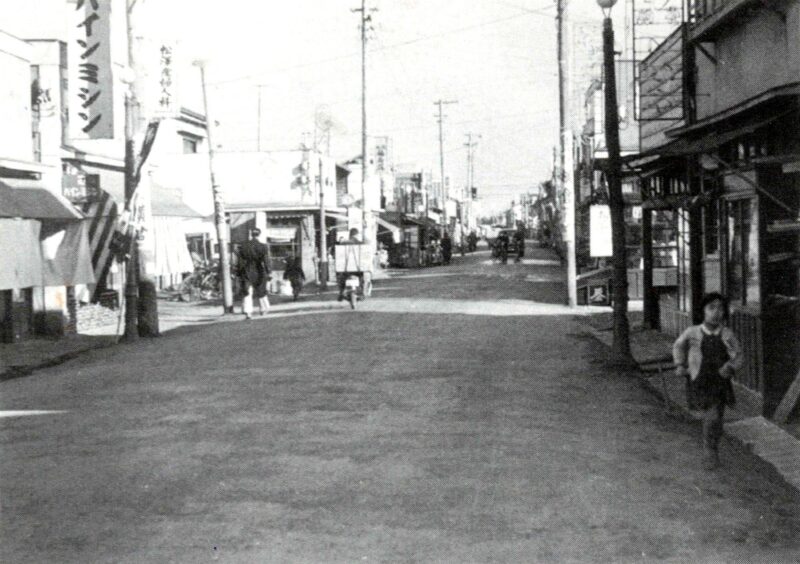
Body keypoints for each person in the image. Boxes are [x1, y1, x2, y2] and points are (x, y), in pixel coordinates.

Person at [673, 293, 743, 470]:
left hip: (719, 381)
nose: (716, 312)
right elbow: (678, 346)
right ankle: (709, 451)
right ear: (702, 311)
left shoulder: (727, 334)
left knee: (717, 418)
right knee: (711, 416)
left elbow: (739, 355)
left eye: (720, 308)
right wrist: (680, 364)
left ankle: (713, 447)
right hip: (699, 379)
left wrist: (730, 366)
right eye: (711, 308)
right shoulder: (693, 332)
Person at [236, 228, 270, 319]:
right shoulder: (263, 246)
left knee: (247, 292)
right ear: (259, 234)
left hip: (247, 270)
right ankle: (263, 309)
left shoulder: (243, 246)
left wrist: (238, 273)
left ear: (251, 234)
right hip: (259, 270)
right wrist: (268, 271)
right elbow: (266, 261)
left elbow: (239, 261)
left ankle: (248, 312)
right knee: (261, 290)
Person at [337, 228, 362, 301]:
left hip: (345, 268)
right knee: (362, 279)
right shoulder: (360, 243)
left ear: (350, 235)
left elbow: (339, 254)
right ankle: (362, 293)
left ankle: (341, 292)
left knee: (341, 278)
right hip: (358, 268)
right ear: (357, 235)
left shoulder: (343, 243)